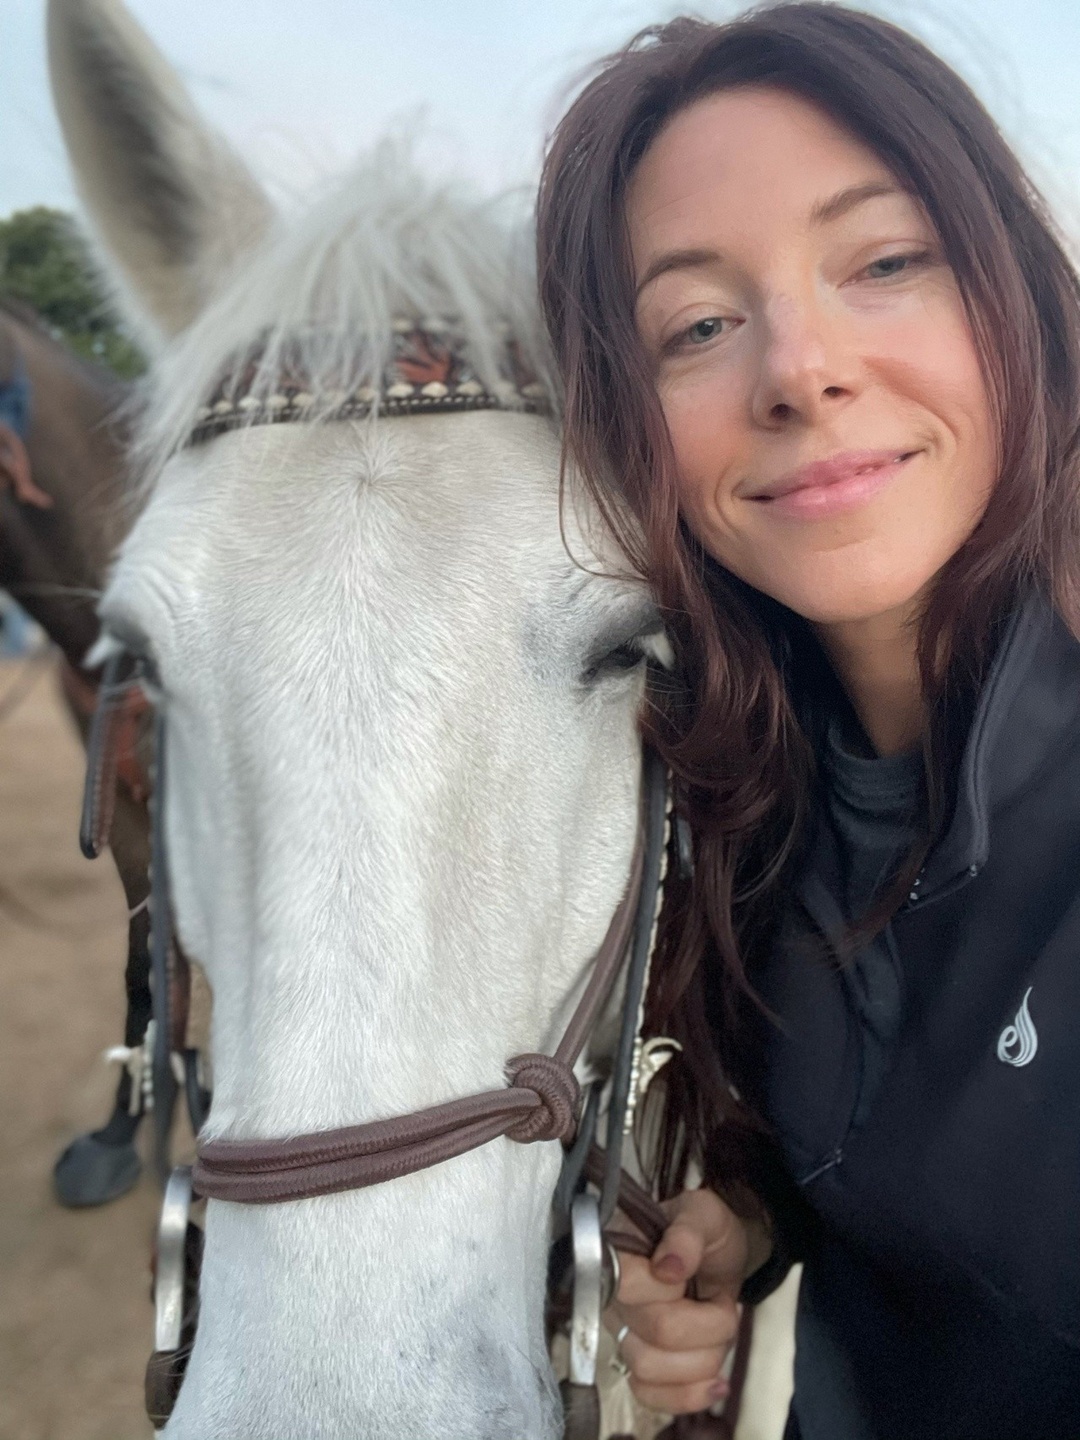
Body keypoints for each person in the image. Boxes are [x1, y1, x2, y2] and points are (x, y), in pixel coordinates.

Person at [536, 5, 1080, 1437]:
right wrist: (759, 1218)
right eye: (697, 326)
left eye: (885, 262)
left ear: (1017, 291)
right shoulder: (720, 797)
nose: (798, 369)